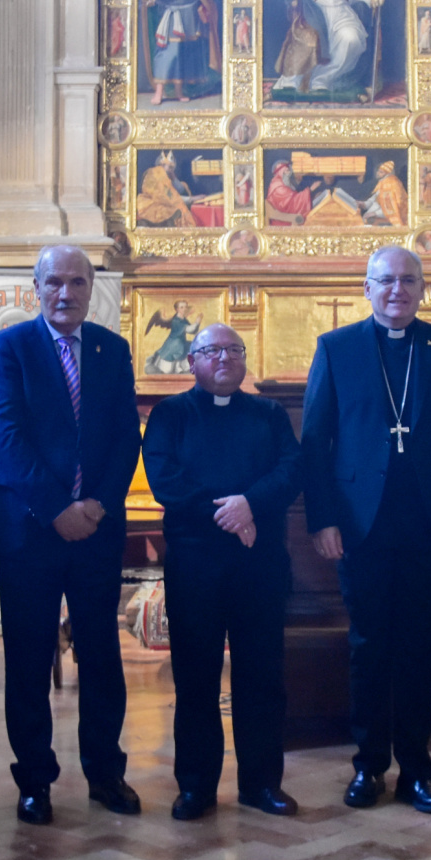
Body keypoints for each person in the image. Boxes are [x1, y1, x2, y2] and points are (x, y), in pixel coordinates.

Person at [302, 246, 431, 815]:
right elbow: (316, 443)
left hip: (429, 522)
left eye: (408, 280)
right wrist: (323, 518)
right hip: (362, 522)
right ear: (367, 287)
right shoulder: (336, 348)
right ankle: (368, 766)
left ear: (423, 288)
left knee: (419, 648)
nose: (397, 290)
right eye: (386, 281)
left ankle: (417, 771)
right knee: (367, 646)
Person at [0, 245, 143, 824]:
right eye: (55, 282)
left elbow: (126, 435)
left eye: (77, 282)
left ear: (91, 286)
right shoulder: (9, 346)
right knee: (28, 656)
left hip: (96, 529)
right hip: (29, 528)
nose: (66, 293)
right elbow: (7, 434)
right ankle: (35, 781)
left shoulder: (111, 348)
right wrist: (58, 510)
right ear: (36, 286)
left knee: (101, 654)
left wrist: (96, 504)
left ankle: (105, 773)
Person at [142, 325, 303, 820]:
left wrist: (250, 503)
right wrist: (233, 517)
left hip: (259, 562)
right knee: (196, 676)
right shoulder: (169, 415)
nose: (226, 358)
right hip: (195, 561)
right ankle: (195, 785)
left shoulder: (269, 414)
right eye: (213, 351)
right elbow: (166, 478)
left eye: (235, 350)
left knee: (261, 674)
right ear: (191, 362)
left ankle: (261, 784)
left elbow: (291, 468)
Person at [273, 0, 386, 96]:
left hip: (343, 15)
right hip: (317, 15)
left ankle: (322, 79)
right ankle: (295, 81)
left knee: (351, 39)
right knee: (309, 39)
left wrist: (372, 0)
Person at [136, 151, 197, 228]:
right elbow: (166, 197)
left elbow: (179, 191)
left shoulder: (168, 177)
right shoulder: (156, 173)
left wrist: (173, 177)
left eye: (171, 167)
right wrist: (191, 199)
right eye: (164, 165)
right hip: (152, 204)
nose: (168, 169)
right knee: (177, 211)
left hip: (165, 203)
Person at [359, 160, 408, 226]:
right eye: (378, 171)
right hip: (378, 216)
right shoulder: (383, 182)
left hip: (391, 219)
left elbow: (390, 208)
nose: (377, 173)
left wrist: (375, 213)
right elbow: (376, 198)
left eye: (381, 172)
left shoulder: (391, 184)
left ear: (387, 174)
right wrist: (364, 204)